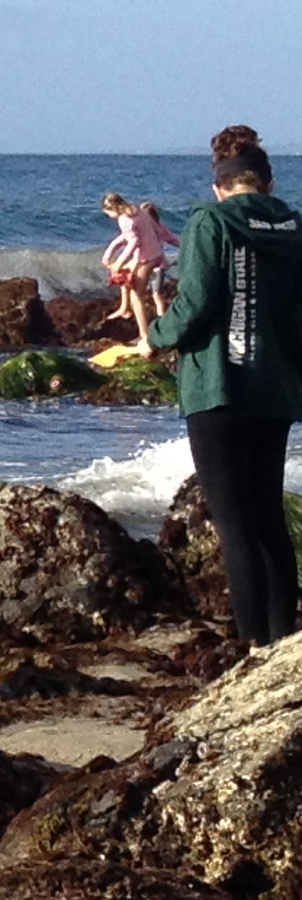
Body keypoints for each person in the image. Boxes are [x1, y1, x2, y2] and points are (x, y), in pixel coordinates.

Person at [136, 126, 302, 646]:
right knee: (269, 516)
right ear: (268, 183)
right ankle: (282, 640)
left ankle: (251, 642)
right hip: (275, 387)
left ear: (218, 186)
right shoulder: (294, 225)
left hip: (219, 386)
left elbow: (198, 301)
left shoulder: (212, 220)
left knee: (234, 522)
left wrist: (155, 337)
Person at [101, 191, 180, 344]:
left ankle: (144, 336)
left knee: (136, 296)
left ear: (112, 208)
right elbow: (151, 231)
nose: (109, 217)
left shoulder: (124, 219)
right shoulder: (140, 211)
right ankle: (125, 309)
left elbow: (133, 242)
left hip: (146, 259)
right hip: (156, 254)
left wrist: (118, 262)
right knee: (125, 276)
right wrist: (109, 253)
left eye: (108, 213)